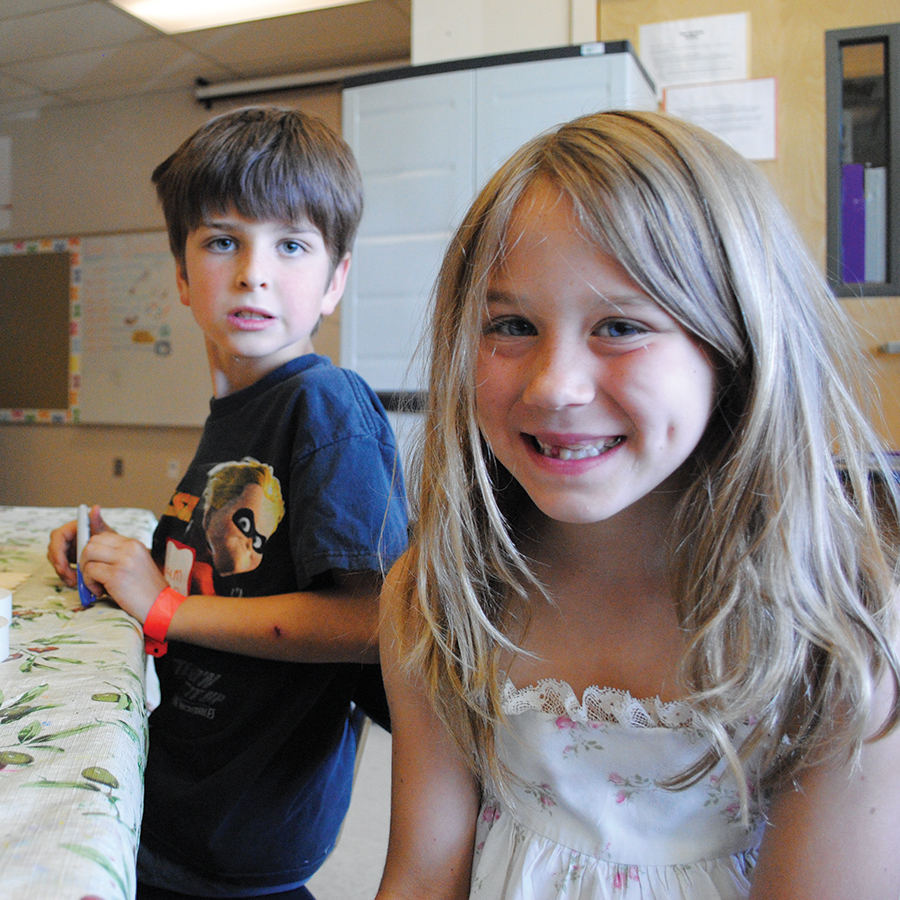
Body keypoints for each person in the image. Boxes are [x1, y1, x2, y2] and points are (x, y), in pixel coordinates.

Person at [374, 110, 900, 900]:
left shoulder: (838, 622)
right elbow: (420, 875)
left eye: (620, 326)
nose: (554, 387)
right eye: (512, 325)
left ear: (738, 344)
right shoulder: (439, 592)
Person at [47, 105, 407, 900]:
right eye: (221, 240)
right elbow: (218, 575)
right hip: (184, 801)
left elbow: (371, 621)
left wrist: (163, 610)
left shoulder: (326, 405)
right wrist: (117, 561)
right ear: (180, 273)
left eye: (291, 244)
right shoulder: (237, 415)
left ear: (336, 277)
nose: (253, 271)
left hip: (243, 832)